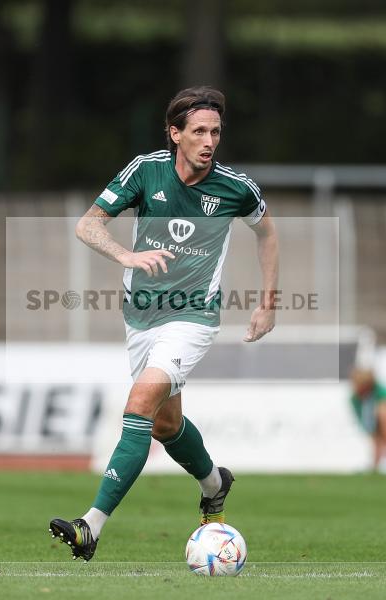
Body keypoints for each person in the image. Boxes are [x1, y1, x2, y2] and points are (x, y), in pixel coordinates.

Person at [49, 86, 279, 561]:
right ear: (175, 134)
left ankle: (90, 526)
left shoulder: (236, 187)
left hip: (193, 317)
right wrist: (127, 254)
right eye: (198, 131)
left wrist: (267, 302)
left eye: (215, 131)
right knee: (165, 423)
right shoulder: (146, 170)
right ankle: (215, 483)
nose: (209, 140)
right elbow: (88, 225)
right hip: (141, 317)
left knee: (139, 404)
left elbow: (267, 233)